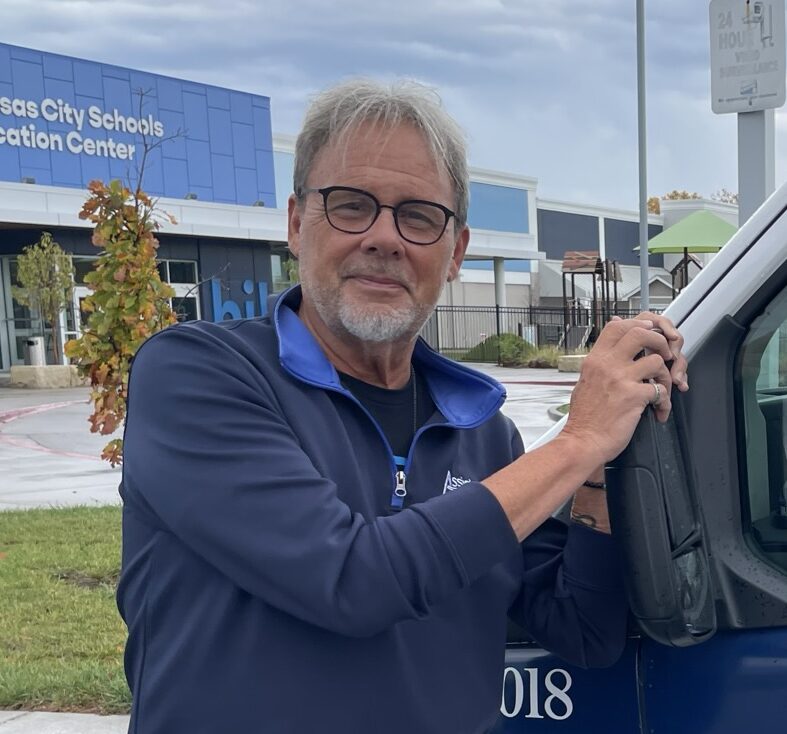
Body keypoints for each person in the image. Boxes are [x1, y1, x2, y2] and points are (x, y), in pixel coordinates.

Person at [118, 79, 688, 734]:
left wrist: (601, 463)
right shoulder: (197, 375)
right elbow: (352, 581)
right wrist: (577, 441)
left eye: (418, 215)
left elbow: (584, 630)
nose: (384, 238)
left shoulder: (482, 436)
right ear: (296, 223)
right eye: (350, 205)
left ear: (455, 253)